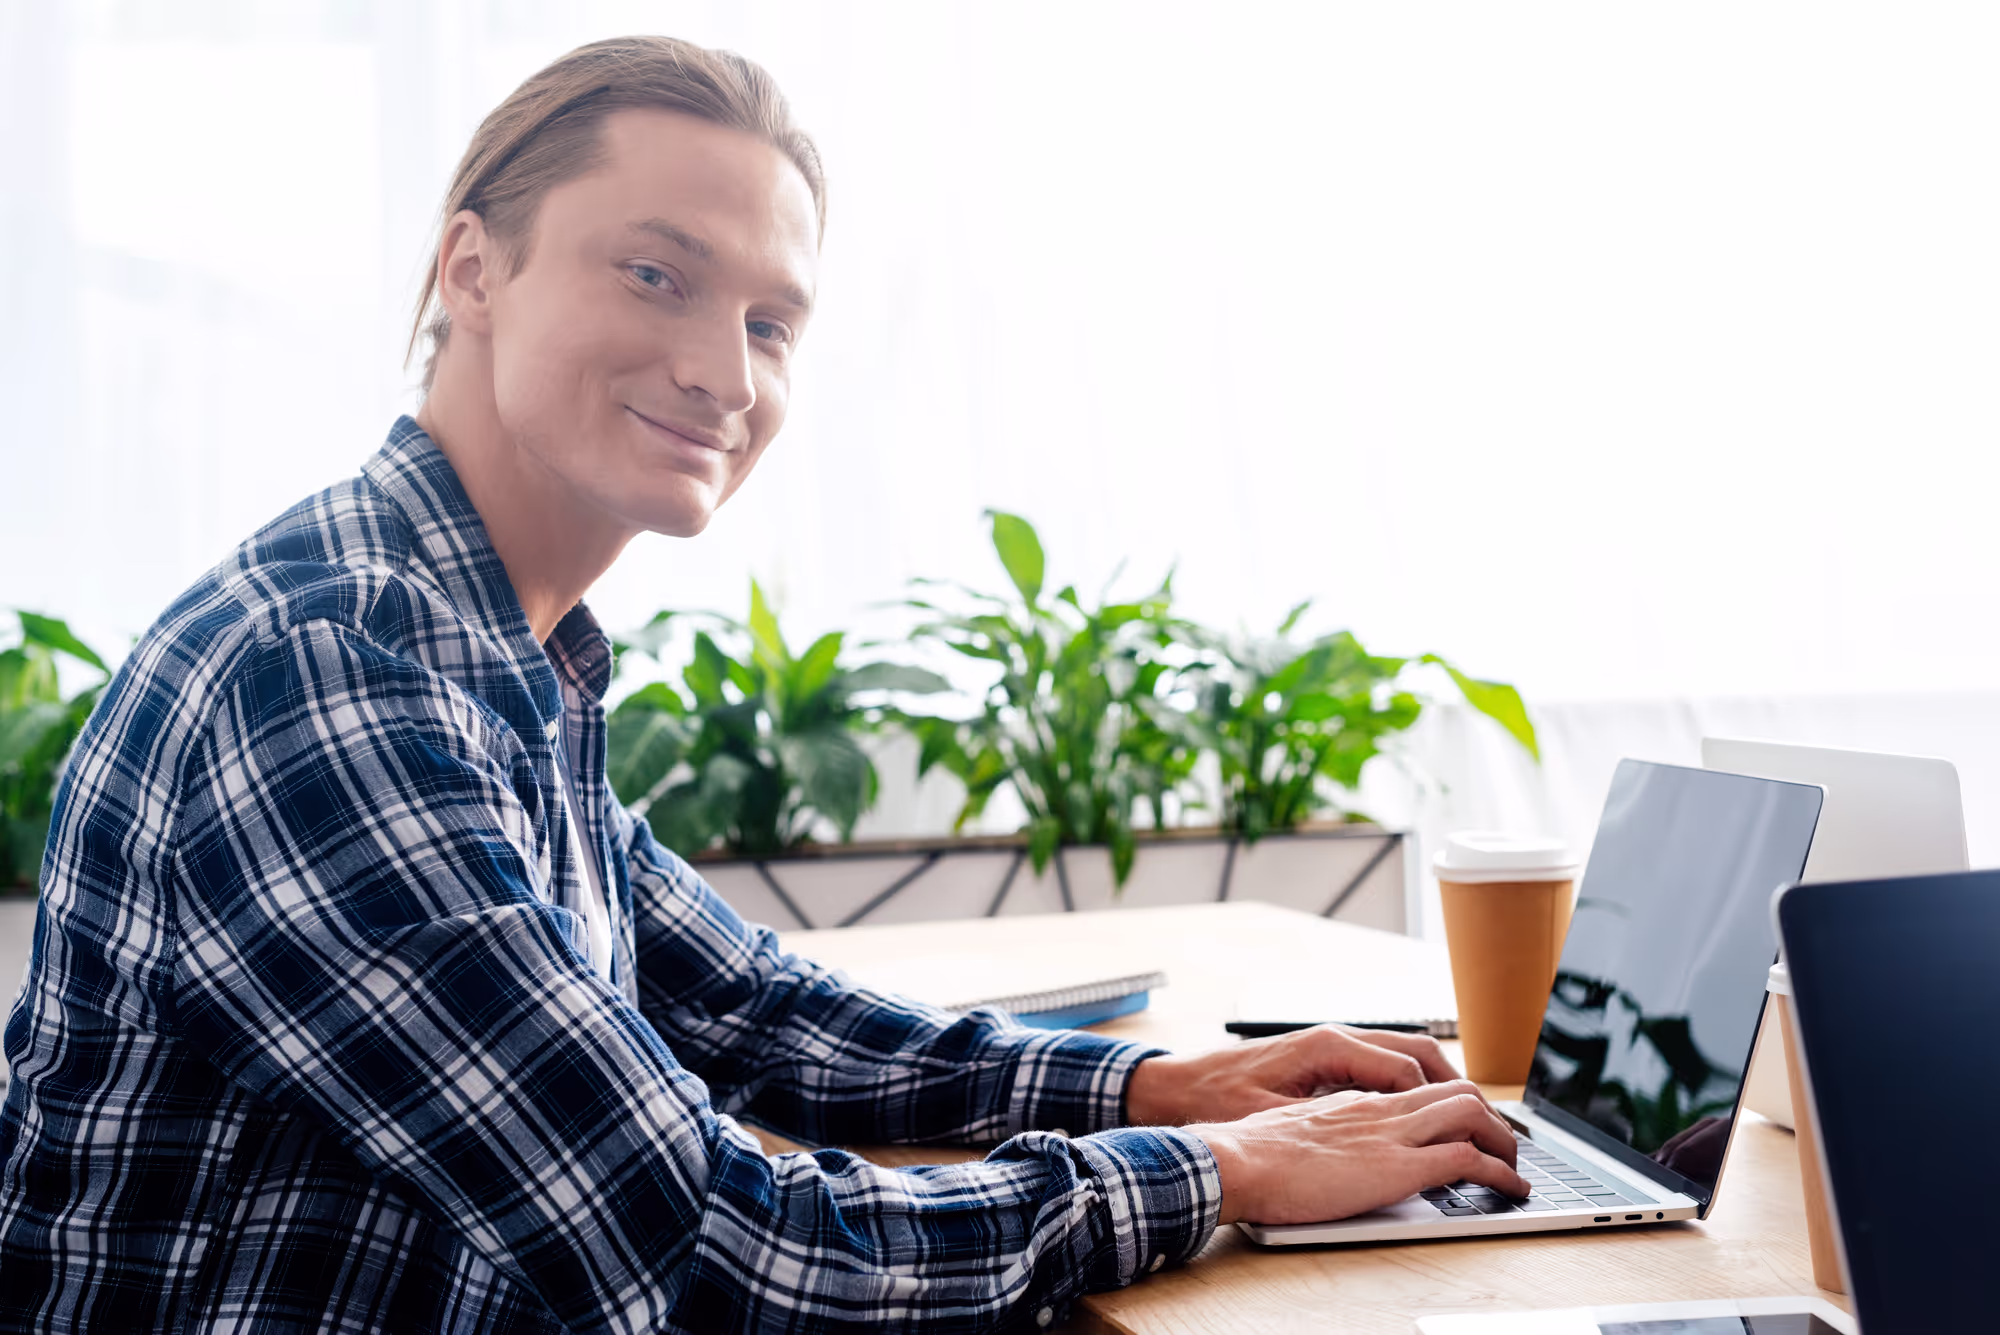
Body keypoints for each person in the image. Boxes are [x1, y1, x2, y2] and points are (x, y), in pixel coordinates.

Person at [0, 35, 1525, 1334]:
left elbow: (750, 1010)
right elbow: (717, 1252)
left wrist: (1158, 1091)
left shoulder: (490, 654)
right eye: (658, 274)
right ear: (474, 266)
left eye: (769, 324)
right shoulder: (329, 675)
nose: (725, 374)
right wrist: (1235, 1174)